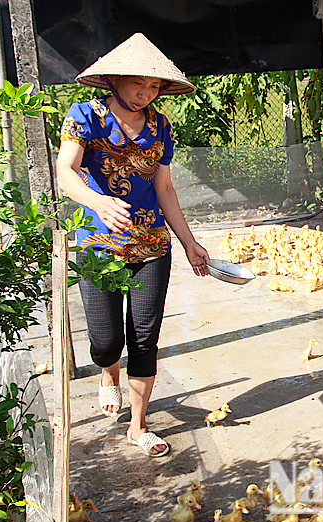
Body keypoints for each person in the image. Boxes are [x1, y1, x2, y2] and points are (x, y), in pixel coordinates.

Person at [56, 33, 210, 457]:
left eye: (154, 86)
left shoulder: (161, 126)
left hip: (150, 245)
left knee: (144, 337)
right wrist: (98, 201)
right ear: (115, 81)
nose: (145, 94)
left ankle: (138, 427)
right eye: (137, 84)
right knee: (106, 342)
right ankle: (108, 372)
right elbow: (65, 171)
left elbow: (164, 189)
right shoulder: (84, 116)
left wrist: (189, 242)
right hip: (98, 244)